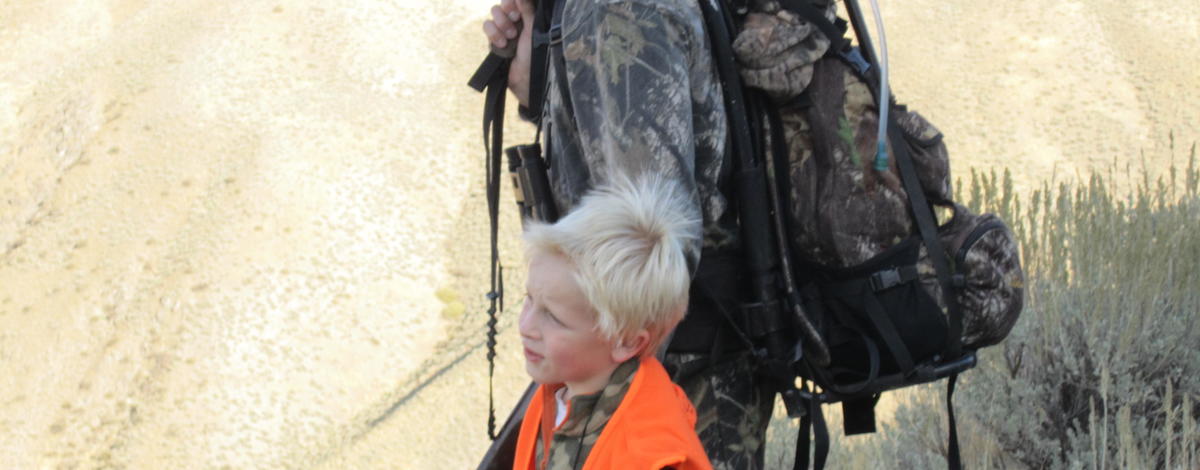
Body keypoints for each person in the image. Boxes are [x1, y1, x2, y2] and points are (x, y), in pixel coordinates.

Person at [483, 0, 776, 469]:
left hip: (674, 375)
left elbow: (651, 241)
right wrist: (535, 81)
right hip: (627, 363)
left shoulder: (618, 10)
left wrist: (599, 409)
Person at [513, 175, 710, 470]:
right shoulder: (561, 390)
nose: (525, 326)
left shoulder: (649, 457)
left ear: (626, 341)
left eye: (553, 317)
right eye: (529, 299)